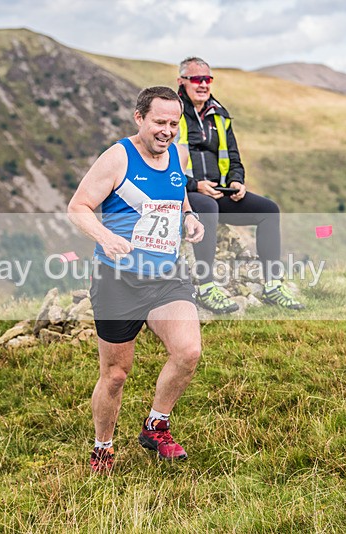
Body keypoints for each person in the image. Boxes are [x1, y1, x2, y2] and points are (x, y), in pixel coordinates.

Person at [68, 86, 206, 473]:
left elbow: (178, 195)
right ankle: (102, 447)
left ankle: (155, 426)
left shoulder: (176, 154)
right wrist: (106, 238)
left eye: (173, 123)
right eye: (159, 122)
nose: (167, 131)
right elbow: (78, 207)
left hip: (165, 276)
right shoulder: (118, 158)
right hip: (118, 280)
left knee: (188, 352)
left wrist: (189, 217)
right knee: (115, 375)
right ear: (139, 118)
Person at [176, 57, 303, 312]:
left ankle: (273, 285)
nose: (203, 85)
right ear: (182, 82)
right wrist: (195, 185)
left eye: (207, 79)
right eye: (196, 79)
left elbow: (233, 157)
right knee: (208, 208)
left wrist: (237, 181)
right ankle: (206, 287)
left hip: (221, 192)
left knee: (269, 210)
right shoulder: (172, 113)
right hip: (184, 195)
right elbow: (162, 163)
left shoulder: (220, 115)